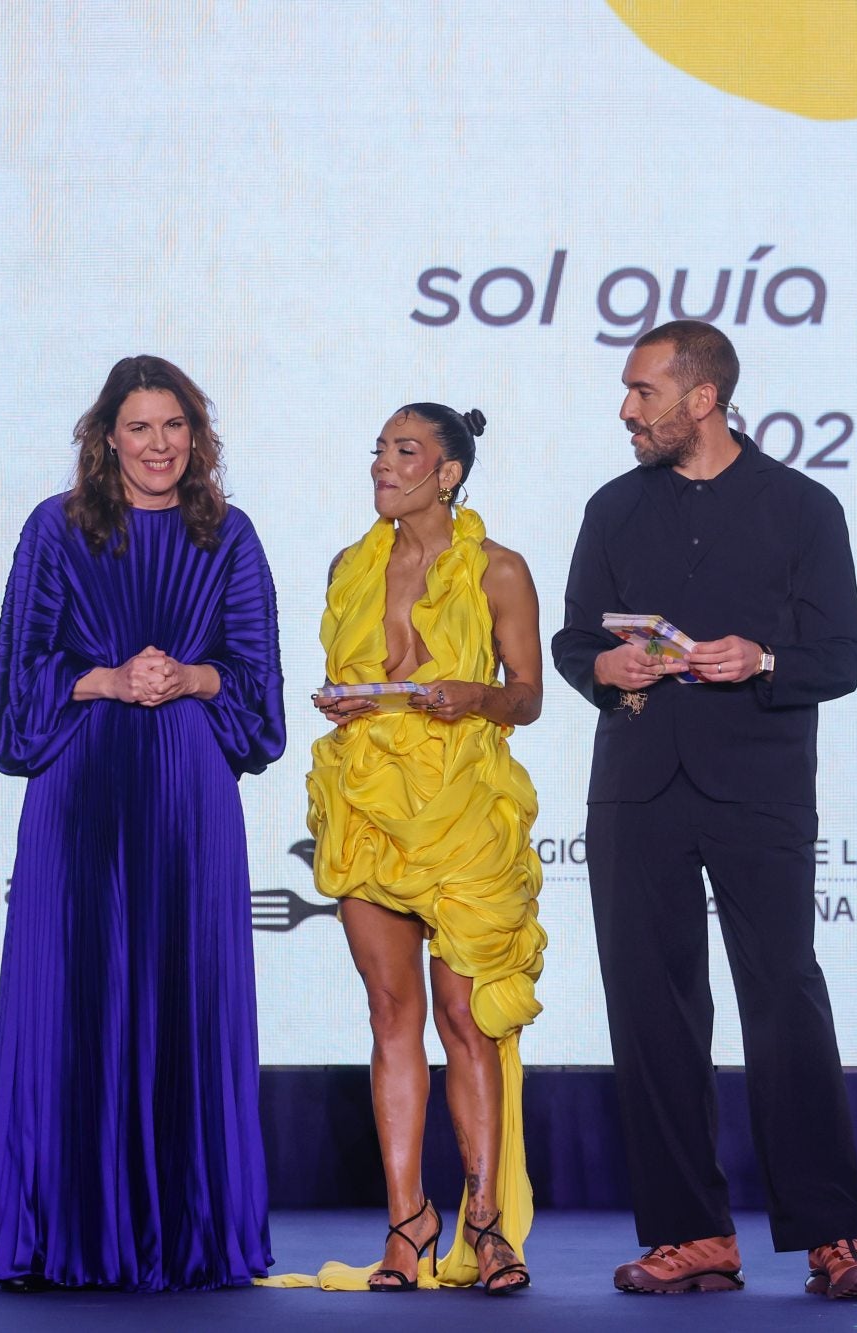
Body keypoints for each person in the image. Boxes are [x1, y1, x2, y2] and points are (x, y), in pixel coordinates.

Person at [550, 320, 857, 1301]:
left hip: (758, 785)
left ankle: (832, 1236)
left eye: (641, 391)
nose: (625, 409)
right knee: (651, 1013)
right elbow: (576, 642)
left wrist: (766, 659)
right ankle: (689, 1235)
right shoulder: (611, 510)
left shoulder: (802, 508)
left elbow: (845, 654)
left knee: (782, 997)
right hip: (636, 784)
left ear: (700, 399)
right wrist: (603, 666)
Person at [0, 355, 286, 1292]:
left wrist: (188, 676)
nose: (158, 445)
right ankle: (59, 1232)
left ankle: (191, 1234)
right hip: (82, 790)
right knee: (74, 997)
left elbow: (260, 694)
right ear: (107, 438)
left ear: (198, 436)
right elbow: (15, 691)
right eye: (139, 428)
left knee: (190, 997)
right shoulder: (56, 532)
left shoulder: (230, 535)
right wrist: (104, 678)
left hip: (189, 796)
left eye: (175, 427)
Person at [272, 404, 546, 1294]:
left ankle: (486, 1221)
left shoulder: (501, 571)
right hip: (368, 804)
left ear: (450, 471)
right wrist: (350, 700)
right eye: (379, 452)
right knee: (391, 1015)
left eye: (405, 451)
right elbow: (357, 673)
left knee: (464, 1018)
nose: (384, 467)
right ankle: (404, 1224)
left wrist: (476, 694)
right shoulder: (352, 566)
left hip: (463, 809)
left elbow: (528, 697)